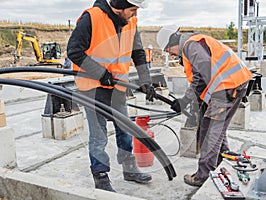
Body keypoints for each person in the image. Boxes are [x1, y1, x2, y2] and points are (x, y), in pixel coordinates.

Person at [67, 0, 156, 192]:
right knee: (99, 136)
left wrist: (145, 80)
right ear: (120, 4)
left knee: (124, 129)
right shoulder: (92, 18)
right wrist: (100, 73)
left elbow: (138, 53)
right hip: (92, 87)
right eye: (132, 9)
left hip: (117, 87)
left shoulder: (131, 21)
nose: (134, 14)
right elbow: (74, 51)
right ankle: (101, 175)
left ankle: (129, 167)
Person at [157, 25, 253, 187]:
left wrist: (185, 101)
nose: (170, 54)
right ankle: (223, 159)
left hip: (227, 85)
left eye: (168, 50)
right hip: (232, 83)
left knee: (209, 129)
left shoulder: (190, 46)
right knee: (216, 128)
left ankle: (204, 175)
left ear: (173, 42)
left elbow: (202, 74)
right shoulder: (194, 43)